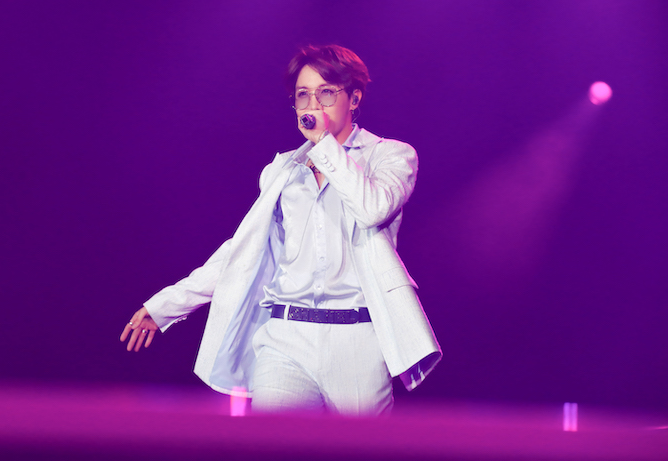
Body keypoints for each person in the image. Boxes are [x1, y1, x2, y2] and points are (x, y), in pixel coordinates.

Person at [120, 45, 441, 415]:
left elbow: (372, 208)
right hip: (285, 336)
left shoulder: (391, 156)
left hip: (356, 339)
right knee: (271, 442)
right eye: (303, 95)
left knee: (362, 445)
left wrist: (324, 146)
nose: (313, 105)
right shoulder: (282, 171)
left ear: (354, 98)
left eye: (326, 93)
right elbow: (241, 253)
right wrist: (166, 306)